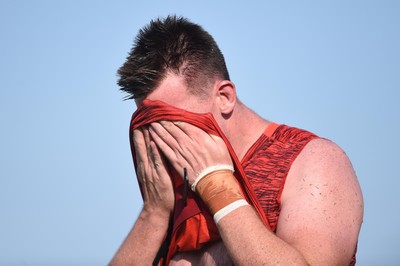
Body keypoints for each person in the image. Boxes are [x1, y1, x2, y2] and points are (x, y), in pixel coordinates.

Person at [109, 15, 364, 265]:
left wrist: (217, 188)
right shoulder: (171, 187)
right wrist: (154, 214)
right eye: (151, 127)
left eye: (174, 123)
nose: (165, 140)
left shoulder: (313, 162)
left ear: (225, 97)